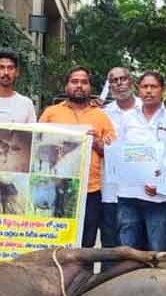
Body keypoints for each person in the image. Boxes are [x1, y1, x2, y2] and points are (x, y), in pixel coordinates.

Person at [39, 66, 116, 247]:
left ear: (90, 87)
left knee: (85, 244)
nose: (79, 86)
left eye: (84, 82)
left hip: (90, 191)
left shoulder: (101, 116)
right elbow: (37, 144)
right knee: (54, 243)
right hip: (55, 186)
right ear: (67, 86)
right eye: (74, 82)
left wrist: (97, 142)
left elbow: (114, 154)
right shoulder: (51, 113)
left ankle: (84, 276)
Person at [114, 70, 166, 252]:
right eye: (144, 87)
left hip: (159, 198)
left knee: (158, 251)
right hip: (128, 196)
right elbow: (119, 154)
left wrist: (161, 184)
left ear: (162, 90)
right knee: (128, 251)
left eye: (153, 87)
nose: (148, 91)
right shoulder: (127, 118)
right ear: (138, 90)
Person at [100, 66, 138, 252]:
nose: (119, 83)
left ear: (131, 81)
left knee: (138, 247)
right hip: (110, 192)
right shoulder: (102, 113)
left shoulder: (146, 110)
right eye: (114, 80)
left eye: (123, 79)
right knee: (111, 247)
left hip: (140, 192)